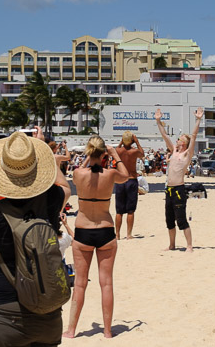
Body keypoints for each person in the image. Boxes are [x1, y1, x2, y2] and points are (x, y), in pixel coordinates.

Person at [0, 131, 70, 347]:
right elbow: (65, 188)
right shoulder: (52, 199)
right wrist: (47, 156)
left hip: (7, 313)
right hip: (48, 314)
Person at [64, 136, 129, 339]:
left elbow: (81, 172)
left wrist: (87, 158)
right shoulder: (110, 174)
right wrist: (115, 154)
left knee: (81, 284)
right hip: (105, 229)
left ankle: (72, 330)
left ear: (88, 152)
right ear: (103, 155)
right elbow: (126, 176)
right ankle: (108, 331)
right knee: (106, 283)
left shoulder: (78, 173)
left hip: (83, 230)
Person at [154, 106, 203, 252]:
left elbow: (193, 137)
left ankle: (189, 245)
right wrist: (158, 121)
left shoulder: (186, 155)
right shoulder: (174, 151)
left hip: (179, 190)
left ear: (184, 143)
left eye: (180, 139)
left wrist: (198, 120)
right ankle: (172, 245)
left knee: (181, 219)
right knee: (169, 220)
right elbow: (164, 136)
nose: (177, 140)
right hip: (168, 190)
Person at [112, 132, 144, 240]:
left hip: (121, 180)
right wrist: (137, 142)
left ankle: (117, 234)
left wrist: (121, 141)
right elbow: (142, 153)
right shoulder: (134, 151)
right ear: (132, 141)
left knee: (119, 211)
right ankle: (129, 234)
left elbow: (115, 151)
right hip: (131, 179)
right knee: (130, 210)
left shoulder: (119, 151)